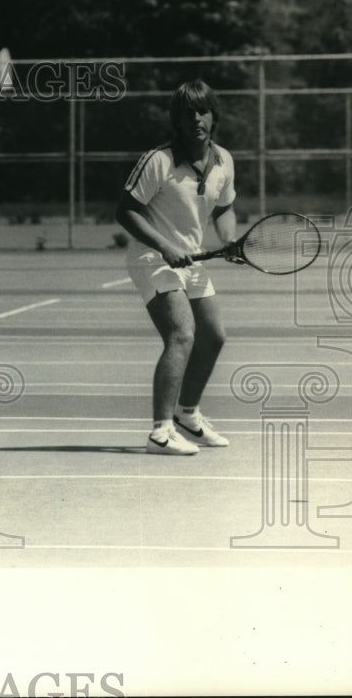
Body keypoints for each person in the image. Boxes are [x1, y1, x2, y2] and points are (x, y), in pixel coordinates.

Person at [115, 79, 239, 455]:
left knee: (213, 336)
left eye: (202, 111)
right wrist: (166, 247)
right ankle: (160, 431)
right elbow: (125, 211)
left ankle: (188, 415)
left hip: (193, 258)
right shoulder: (159, 160)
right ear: (177, 121)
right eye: (187, 113)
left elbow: (224, 208)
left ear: (213, 115)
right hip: (152, 257)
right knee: (182, 334)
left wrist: (229, 240)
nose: (196, 119)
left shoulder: (224, 160)